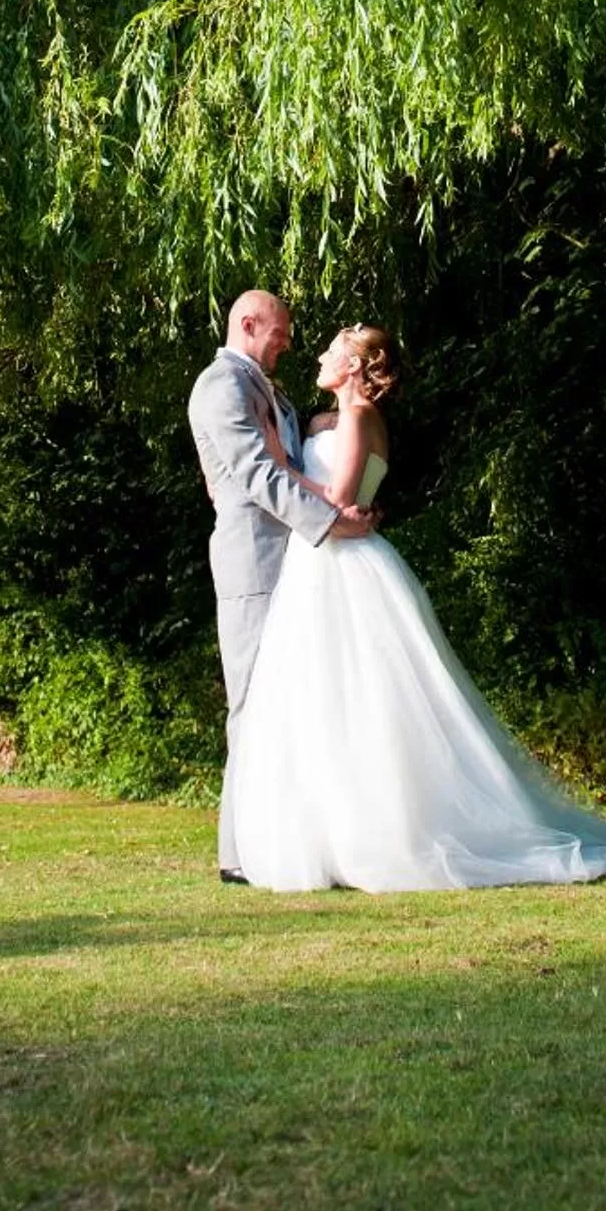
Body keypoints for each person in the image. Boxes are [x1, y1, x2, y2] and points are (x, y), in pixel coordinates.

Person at [228, 323, 606, 892]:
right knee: (323, 698)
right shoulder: (331, 420)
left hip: (342, 563)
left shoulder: (358, 419)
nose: (321, 358)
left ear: (355, 367)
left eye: (334, 352)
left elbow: (340, 501)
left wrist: (281, 466)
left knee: (368, 698)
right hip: (319, 563)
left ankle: (383, 832)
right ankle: (330, 833)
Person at [186, 289, 381, 880]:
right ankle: (238, 854)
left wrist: (343, 460)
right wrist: (332, 524)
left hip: (293, 563)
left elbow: (298, 463)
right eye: (281, 331)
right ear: (249, 324)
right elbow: (255, 476)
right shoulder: (223, 386)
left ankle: (288, 841)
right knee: (250, 704)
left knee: (290, 706)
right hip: (255, 563)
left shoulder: (270, 391)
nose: (290, 342)